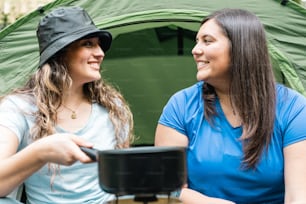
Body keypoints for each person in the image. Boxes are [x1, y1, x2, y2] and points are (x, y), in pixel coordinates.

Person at [155, 8, 306, 204]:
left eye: (207, 41)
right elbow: (168, 188)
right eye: (196, 41)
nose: (195, 50)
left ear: (241, 48)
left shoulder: (293, 109)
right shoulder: (181, 106)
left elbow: (298, 196)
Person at [0, 6, 134, 204]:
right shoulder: (19, 107)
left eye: (99, 45)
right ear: (60, 52)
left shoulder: (112, 106)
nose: (100, 53)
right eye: (88, 44)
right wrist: (41, 152)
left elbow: (122, 180)